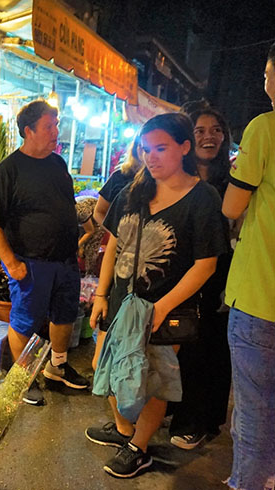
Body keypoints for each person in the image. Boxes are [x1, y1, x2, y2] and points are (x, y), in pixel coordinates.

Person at [85, 113, 227, 478]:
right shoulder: (133, 190)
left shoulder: (203, 198)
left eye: (161, 148)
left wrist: (161, 308)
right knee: (108, 368)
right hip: (119, 302)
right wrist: (101, 295)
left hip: (164, 309)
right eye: (146, 149)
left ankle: (139, 447)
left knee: (152, 380)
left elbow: (205, 265)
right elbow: (112, 246)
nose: (151, 157)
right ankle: (124, 431)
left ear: (183, 147)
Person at [0, 99, 89, 407]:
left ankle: (57, 366)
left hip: (65, 262)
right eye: (49, 126)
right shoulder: (8, 171)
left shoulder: (58, 164)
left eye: (56, 125)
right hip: (31, 263)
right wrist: (12, 263)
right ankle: (23, 376)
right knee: (25, 321)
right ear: (28, 131)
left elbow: (64, 207)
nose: (56, 132)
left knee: (64, 315)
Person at [220, 42, 275, 490]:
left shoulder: (265, 127)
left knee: (255, 410)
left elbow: (232, 207)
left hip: (262, 296)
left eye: (266, 74)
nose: (264, 83)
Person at [168, 105, 234, 449]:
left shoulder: (235, 179)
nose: (208, 136)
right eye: (200, 130)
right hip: (182, 270)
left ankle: (200, 420)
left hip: (222, 272)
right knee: (177, 344)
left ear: (224, 137)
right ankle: (171, 410)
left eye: (216, 130)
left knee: (210, 346)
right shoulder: (178, 176)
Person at [93, 135, 143, 225]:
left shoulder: (163, 179)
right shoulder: (120, 176)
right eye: (142, 147)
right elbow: (99, 212)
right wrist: (117, 235)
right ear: (135, 149)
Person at [76, 196, 104, 274]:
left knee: (91, 247)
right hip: (85, 219)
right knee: (81, 248)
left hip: (97, 217)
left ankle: (90, 273)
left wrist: (78, 244)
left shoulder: (80, 212)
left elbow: (90, 231)